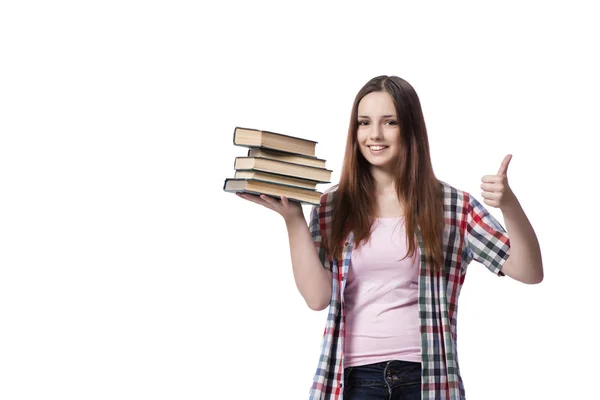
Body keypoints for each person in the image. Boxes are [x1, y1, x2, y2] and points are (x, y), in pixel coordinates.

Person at [236, 75, 543, 400]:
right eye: (364, 123)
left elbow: (528, 271)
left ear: (410, 129)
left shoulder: (453, 207)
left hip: (425, 379)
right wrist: (293, 218)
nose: (374, 135)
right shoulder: (333, 207)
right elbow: (316, 298)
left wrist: (509, 205)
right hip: (354, 380)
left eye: (390, 122)